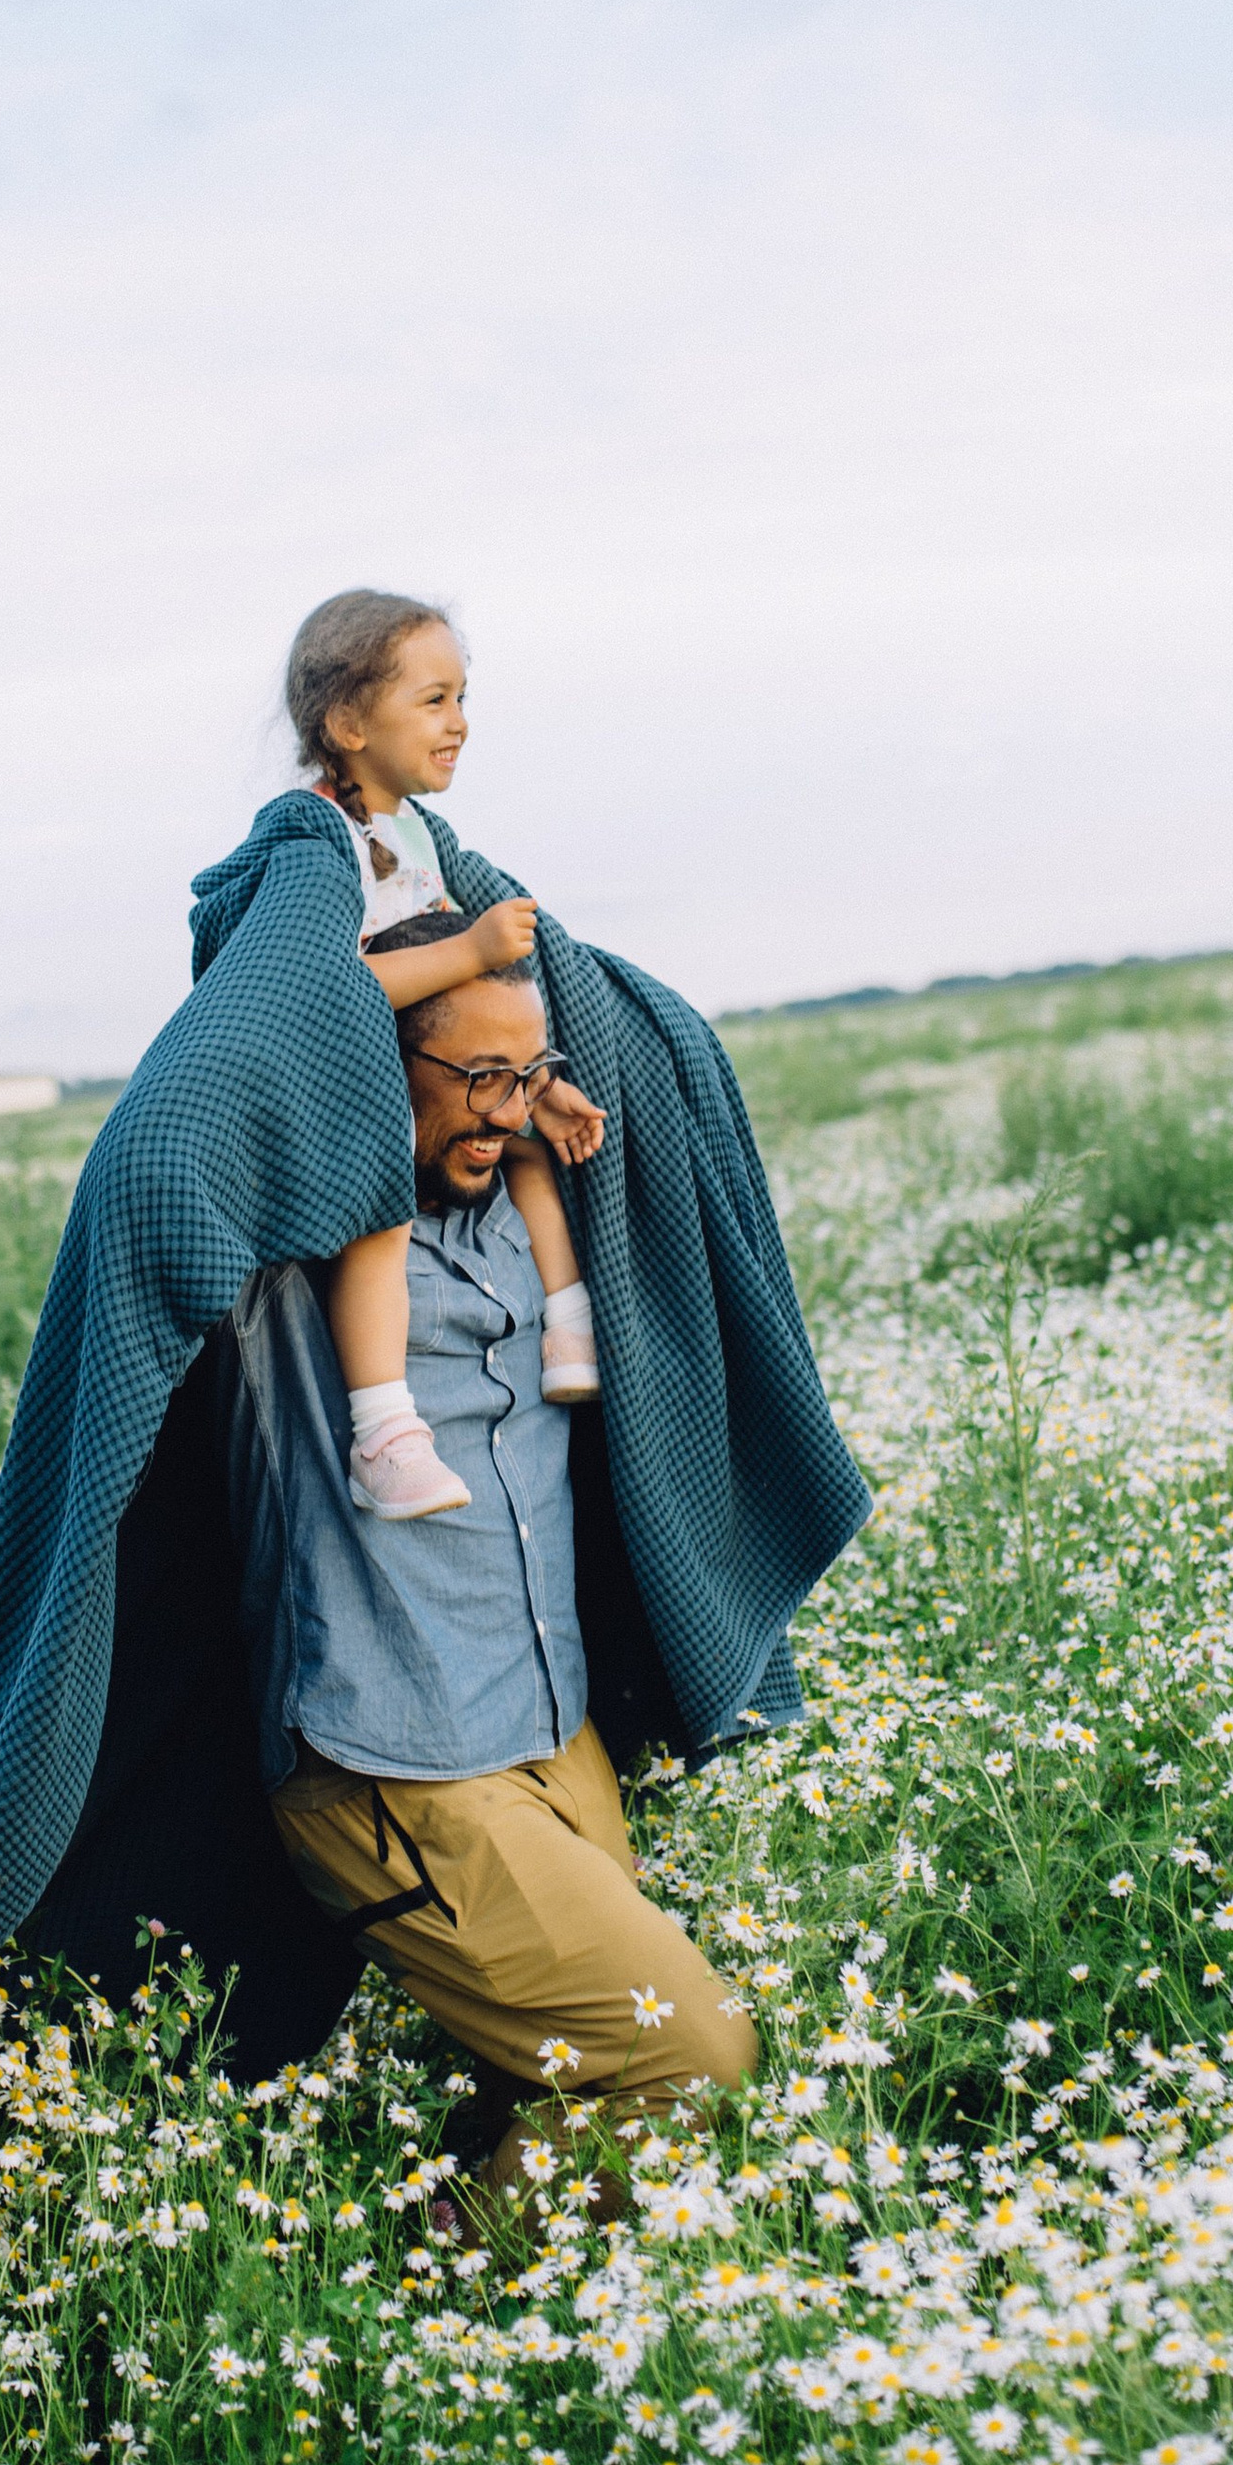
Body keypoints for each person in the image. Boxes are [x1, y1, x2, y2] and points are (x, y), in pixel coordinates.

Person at [225, 902, 759, 2203]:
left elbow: (639, 1061)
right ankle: (457, 2289)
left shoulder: (520, 1206)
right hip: (403, 1762)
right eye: (471, 1078)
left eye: (524, 1078)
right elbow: (256, 1038)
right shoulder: (295, 1260)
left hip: (546, 1719)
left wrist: (526, 1071)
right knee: (688, 2058)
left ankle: (557, 2341)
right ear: (369, 1069)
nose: (502, 1111)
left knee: (568, 2066)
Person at [280, 587, 605, 1522]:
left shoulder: (418, 832)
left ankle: (567, 1319)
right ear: (346, 720)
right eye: (434, 700)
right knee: (381, 1215)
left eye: (464, 698)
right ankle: (384, 1432)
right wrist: (467, 953)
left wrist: (535, 1078)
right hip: (370, 1087)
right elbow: (322, 992)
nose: (459, 723)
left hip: (448, 1074)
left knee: (532, 1136)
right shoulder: (313, 837)